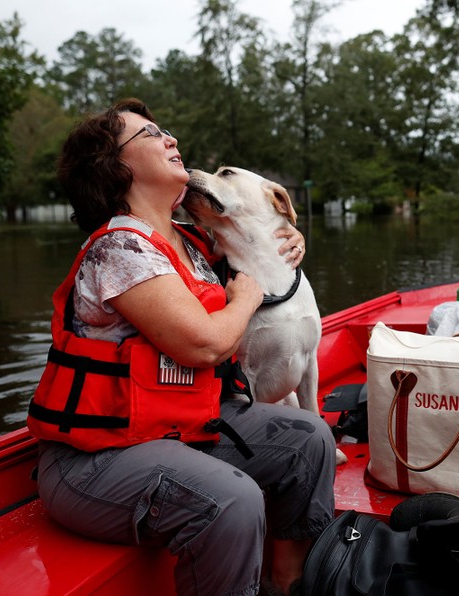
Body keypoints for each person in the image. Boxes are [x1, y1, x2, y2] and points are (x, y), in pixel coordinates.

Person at [26, 98, 336, 596]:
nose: (170, 138)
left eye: (165, 129)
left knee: (310, 438)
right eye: (150, 134)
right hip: (93, 461)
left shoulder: (191, 244)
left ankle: (288, 582)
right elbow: (205, 345)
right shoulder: (120, 248)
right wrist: (245, 298)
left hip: (175, 429)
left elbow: (253, 234)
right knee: (232, 498)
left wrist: (287, 231)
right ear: (115, 166)